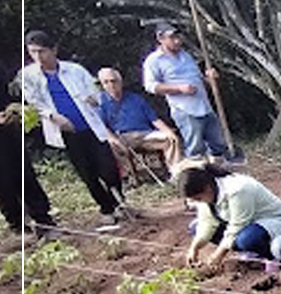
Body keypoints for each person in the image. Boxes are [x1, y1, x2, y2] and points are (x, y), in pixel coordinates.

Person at [21, 30, 126, 231]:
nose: (38, 56)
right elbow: (34, 103)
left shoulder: (75, 70)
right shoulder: (29, 76)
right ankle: (106, 208)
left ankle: (119, 201)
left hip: (90, 126)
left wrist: (94, 99)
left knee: (108, 168)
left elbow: (94, 91)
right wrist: (53, 117)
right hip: (66, 131)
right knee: (87, 172)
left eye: (42, 51)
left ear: (54, 50)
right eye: (33, 52)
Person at [142, 22, 227, 166]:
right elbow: (150, 86)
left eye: (178, 37)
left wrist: (210, 79)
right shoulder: (153, 61)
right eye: (172, 37)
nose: (177, 41)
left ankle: (220, 171)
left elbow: (199, 81)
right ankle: (199, 175)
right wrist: (179, 88)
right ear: (160, 38)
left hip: (204, 106)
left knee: (218, 145)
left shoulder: (186, 56)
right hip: (185, 110)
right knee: (196, 149)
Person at [178, 164, 281, 271]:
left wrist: (219, 254)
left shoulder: (238, 189)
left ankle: (270, 256)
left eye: (198, 198)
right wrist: (194, 248)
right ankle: (251, 251)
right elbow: (207, 222)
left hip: (269, 219)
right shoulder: (208, 195)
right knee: (195, 227)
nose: (198, 202)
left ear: (207, 188)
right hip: (246, 222)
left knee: (245, 240)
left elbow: (237, 225)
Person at [97, 67, 182, 180]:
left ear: (120, 82)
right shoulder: (101, 103)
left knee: (170, 139)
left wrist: (168, 132)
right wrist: (115, 140)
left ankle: (176, 174)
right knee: (113, 146)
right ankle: (130, 178)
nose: (111, 85)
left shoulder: (135, 99)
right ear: (102, 85)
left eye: (113, 81)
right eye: (106, 82)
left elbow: (154, 119)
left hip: (145, 134)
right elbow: (102, 127)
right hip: (122, 137)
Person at [0, 64, 55, 236]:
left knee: (24, 174)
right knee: (3, 183)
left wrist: (15, 110)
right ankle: (18, 225)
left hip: (9, 129)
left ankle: (43, 220)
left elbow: (11, 92)